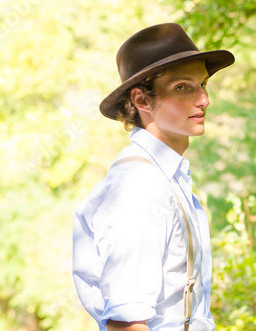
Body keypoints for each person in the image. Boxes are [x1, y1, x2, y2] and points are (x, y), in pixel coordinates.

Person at [72, 23, 235, 331]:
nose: (204, 100)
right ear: (142, 101)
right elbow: (126, 324)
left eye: (203, 85)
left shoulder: (165, 178)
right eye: (182, 88)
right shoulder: (140, 188)